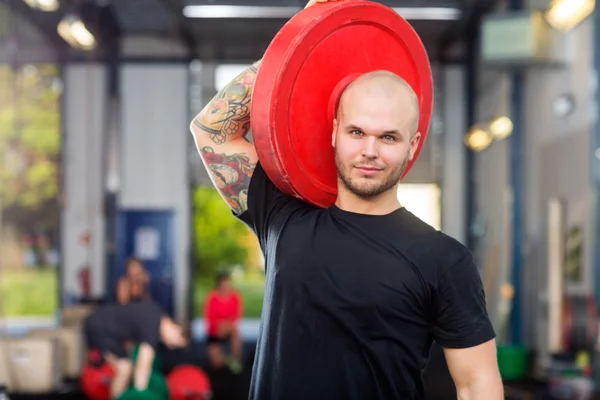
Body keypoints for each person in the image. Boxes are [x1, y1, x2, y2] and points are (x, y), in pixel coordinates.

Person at [189, 2, 503, 399]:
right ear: (335, 131)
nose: (369, 150)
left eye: (388, 137)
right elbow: (211, 131)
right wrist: (302, 48)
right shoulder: (283, 220)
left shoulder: (443, 259)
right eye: (357, 132)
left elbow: (477, 384)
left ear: (413, 145)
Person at [83, 300, 188, 399]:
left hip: (102, 325)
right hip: (99, 328)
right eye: (176, 343)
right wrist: (139, 395)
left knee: (126, 366)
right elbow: (143, 365)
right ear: (177, 329)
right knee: (124, 368)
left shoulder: (154, 315)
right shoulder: (153, 325)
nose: (171, 346)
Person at [203, 271, 244, 373]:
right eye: (224, 285)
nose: (226, 287)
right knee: (217, 364)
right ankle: (225, 359)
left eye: (228, 284)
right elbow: (209, 318)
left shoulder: (235, 297)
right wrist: (219, 326)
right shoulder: (212, 297)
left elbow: (236, 317)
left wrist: (225, 325)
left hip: (229, 329)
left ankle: (235, 359)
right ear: (219, 285)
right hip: (214, 331)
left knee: (236, 332)